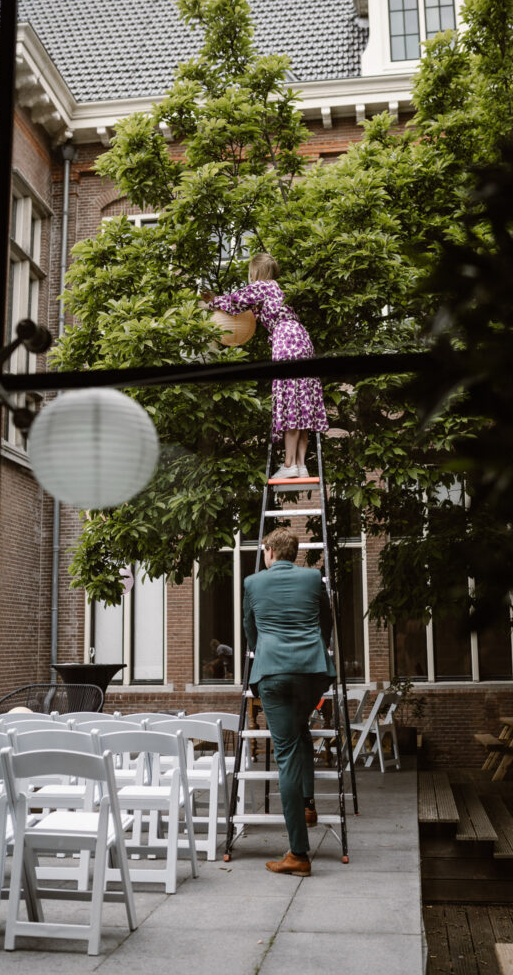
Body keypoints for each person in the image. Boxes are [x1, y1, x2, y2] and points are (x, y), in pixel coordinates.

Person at [243, 527, 335, 876]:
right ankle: (308, 805)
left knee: (285, 757)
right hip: (312, 672)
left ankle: (298, 853)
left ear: (268, 551)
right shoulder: (314, 578)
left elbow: (249, 630)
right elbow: (326, 623)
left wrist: (265, 649)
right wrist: (314, 650)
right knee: (299, 732)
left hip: (274, 674)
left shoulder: (253, 583)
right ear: (294, 553)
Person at [207, 253, 328, 478]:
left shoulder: (263, 287)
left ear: (256, 272)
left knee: (291, 401)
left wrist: (211, 302)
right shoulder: (277, 290)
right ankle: (301, 465)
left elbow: (234, 302)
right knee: (301, 401)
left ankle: (289, 464)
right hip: (302, 340)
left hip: (287, 341)